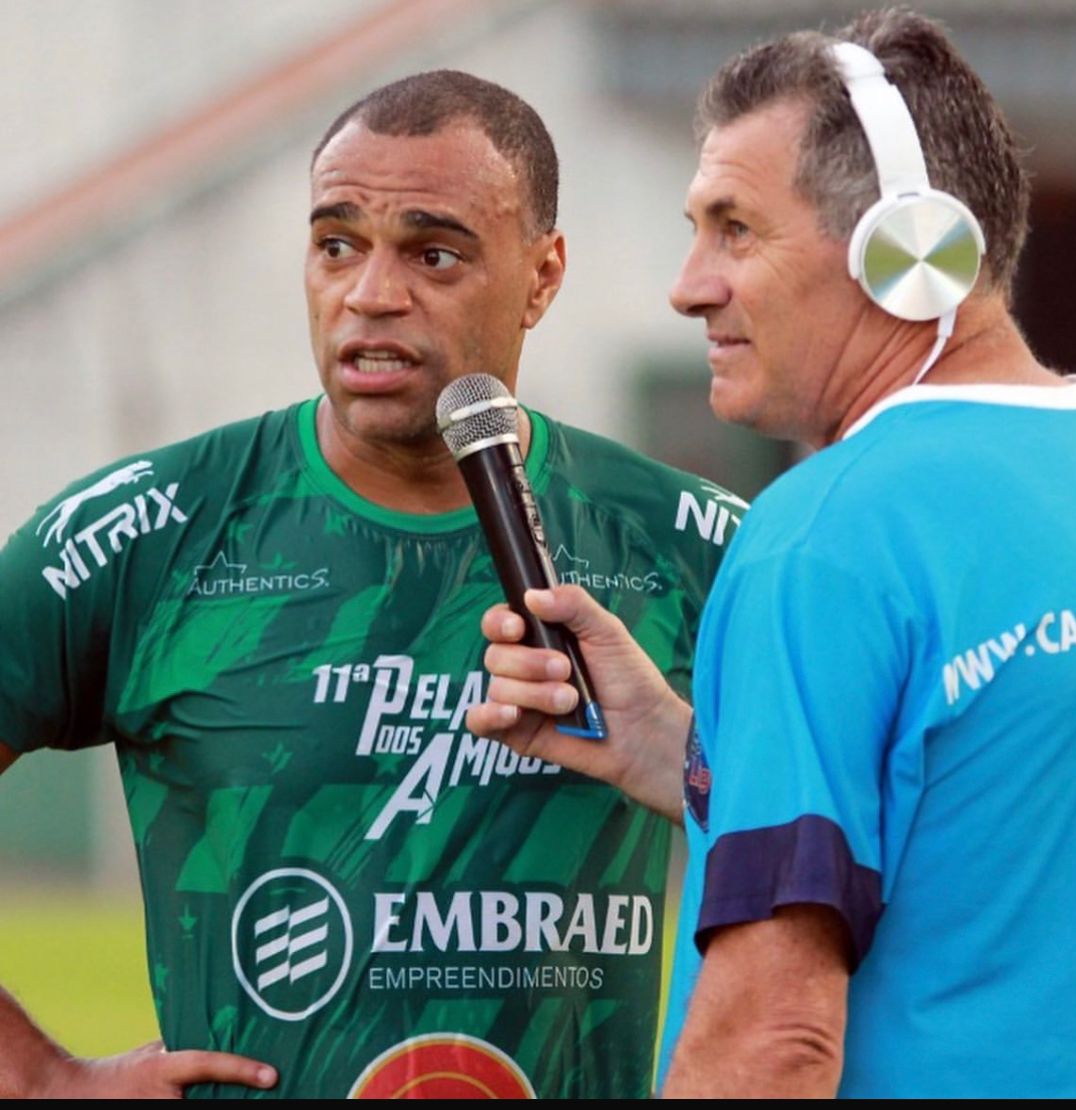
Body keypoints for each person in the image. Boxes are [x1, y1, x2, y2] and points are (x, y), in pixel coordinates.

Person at [468, 7, 1076, 1099]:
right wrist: (687, 749)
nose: (688, 283)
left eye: (734, 229)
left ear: (908, 252)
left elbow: (771, 1044)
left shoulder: (824, 535)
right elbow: (1007, 825)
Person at [0, 71, 743, 1098]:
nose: (371, 294)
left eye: (433, 254)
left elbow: (886, 850)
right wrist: (35, 1075)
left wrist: (689, 758)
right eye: (336, 244)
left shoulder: (688, 546)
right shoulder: (149, 535)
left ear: (542, 274)